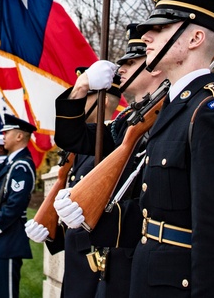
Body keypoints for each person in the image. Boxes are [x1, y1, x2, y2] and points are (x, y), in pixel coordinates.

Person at [129, 0, 214, 297]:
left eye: (159, 29)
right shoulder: (177, 108)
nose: (146, 36)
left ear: (195, 38)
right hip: (149, 277)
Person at [29, 24, 163, 298]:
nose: (121, 68)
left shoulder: (167, 117)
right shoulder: (126, 123)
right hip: (107, 252)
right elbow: (71, 137)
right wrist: (81, 87)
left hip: (131, 257)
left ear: (154, 66)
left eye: (131, 61)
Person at [0, 114, 37, 298]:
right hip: (0, 239)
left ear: (19, 136)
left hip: (8, 238)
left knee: (5, 293)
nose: (2, 136)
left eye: (6, 132)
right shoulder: (10, 162)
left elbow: (14, 207)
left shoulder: (21, 166)